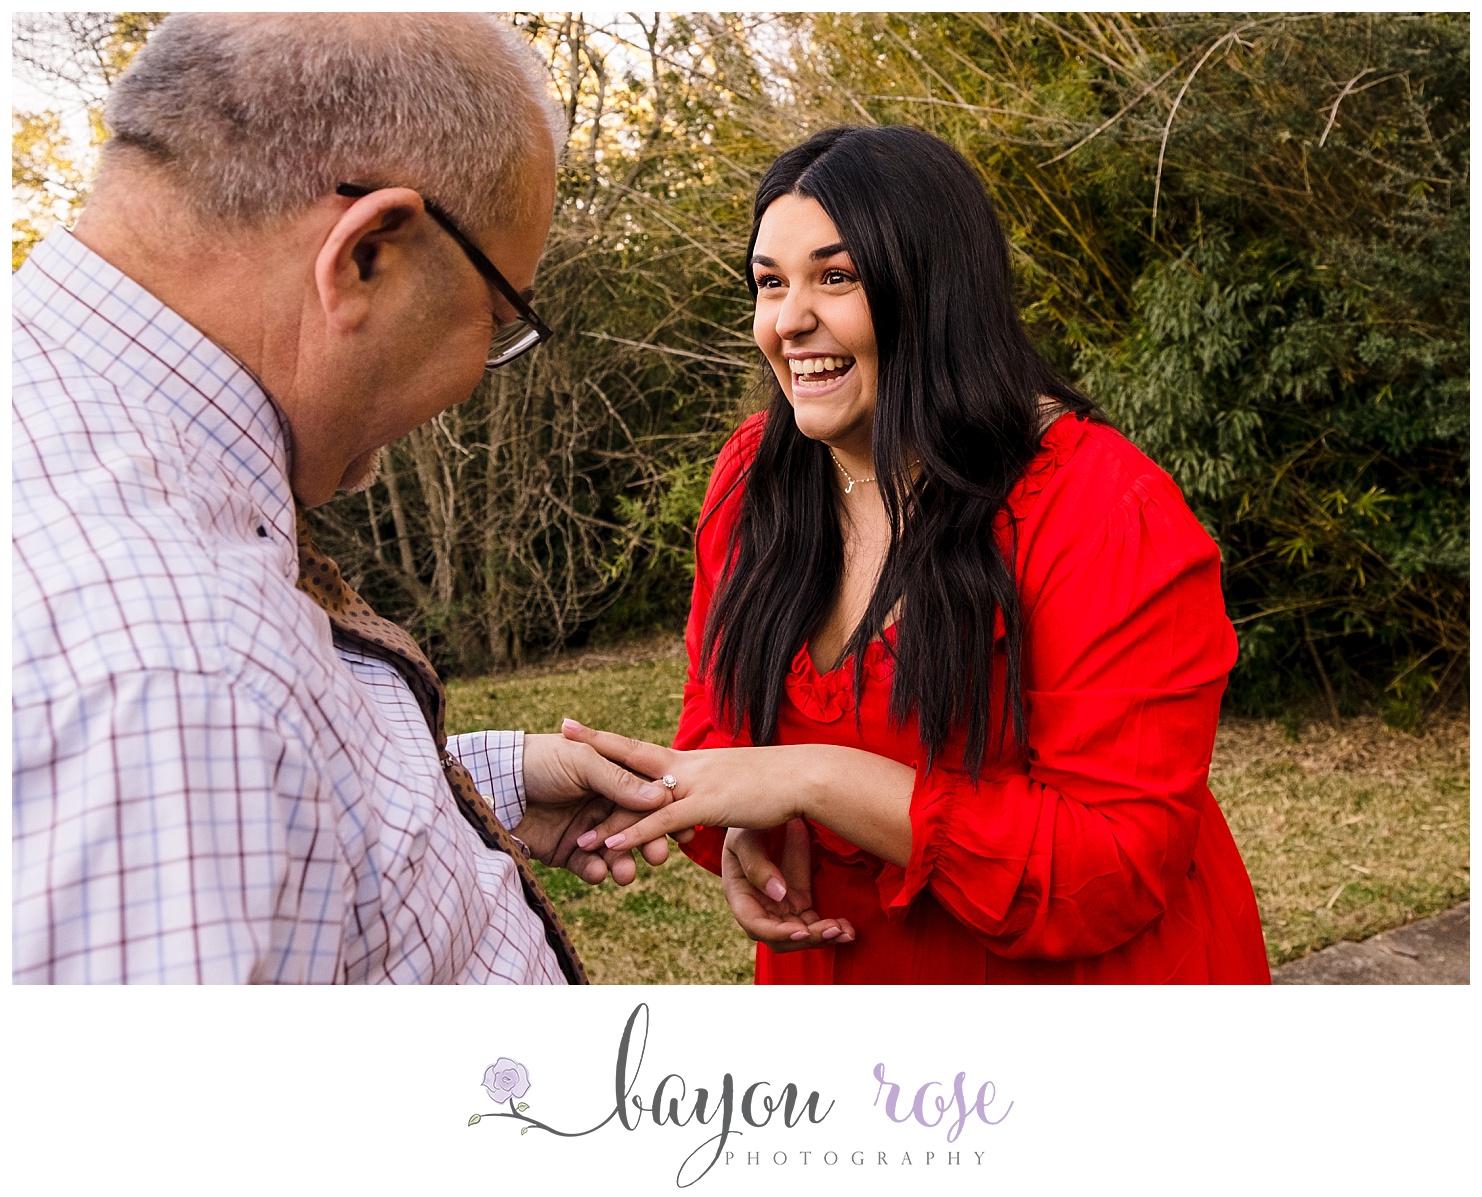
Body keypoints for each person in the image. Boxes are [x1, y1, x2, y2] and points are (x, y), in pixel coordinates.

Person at [11, 13, 678, 985]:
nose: (482, 374)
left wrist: (482, 785)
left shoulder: (99, 445)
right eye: (498, 319)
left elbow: (266, 806)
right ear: (368, 254)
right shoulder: (172, 674)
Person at [563, 125, 1272, 983]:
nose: (789, 321)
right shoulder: (755, 478)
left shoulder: (1102, 509)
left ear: (934, 292)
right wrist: (751, 830)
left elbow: (1113, 863)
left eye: (836, 277)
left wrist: (817, 780)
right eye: (769, 283)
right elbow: (718, 723)